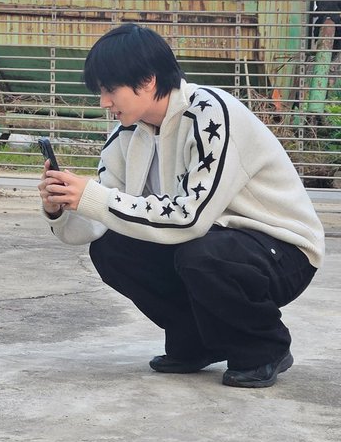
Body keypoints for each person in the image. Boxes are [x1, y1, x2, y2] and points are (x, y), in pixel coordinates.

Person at [38, 24, 324, 388]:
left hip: (283, 250)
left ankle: (264, 347)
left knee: (202, 254)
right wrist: (62, 207)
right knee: (111, 248)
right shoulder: (127, 133)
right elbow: (100, 220)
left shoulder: (210, 113)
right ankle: (196, 340)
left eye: (110, 90)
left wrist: (94, 197)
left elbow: (191, 219)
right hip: (213, 242)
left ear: (147, 80)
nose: (104, 102)